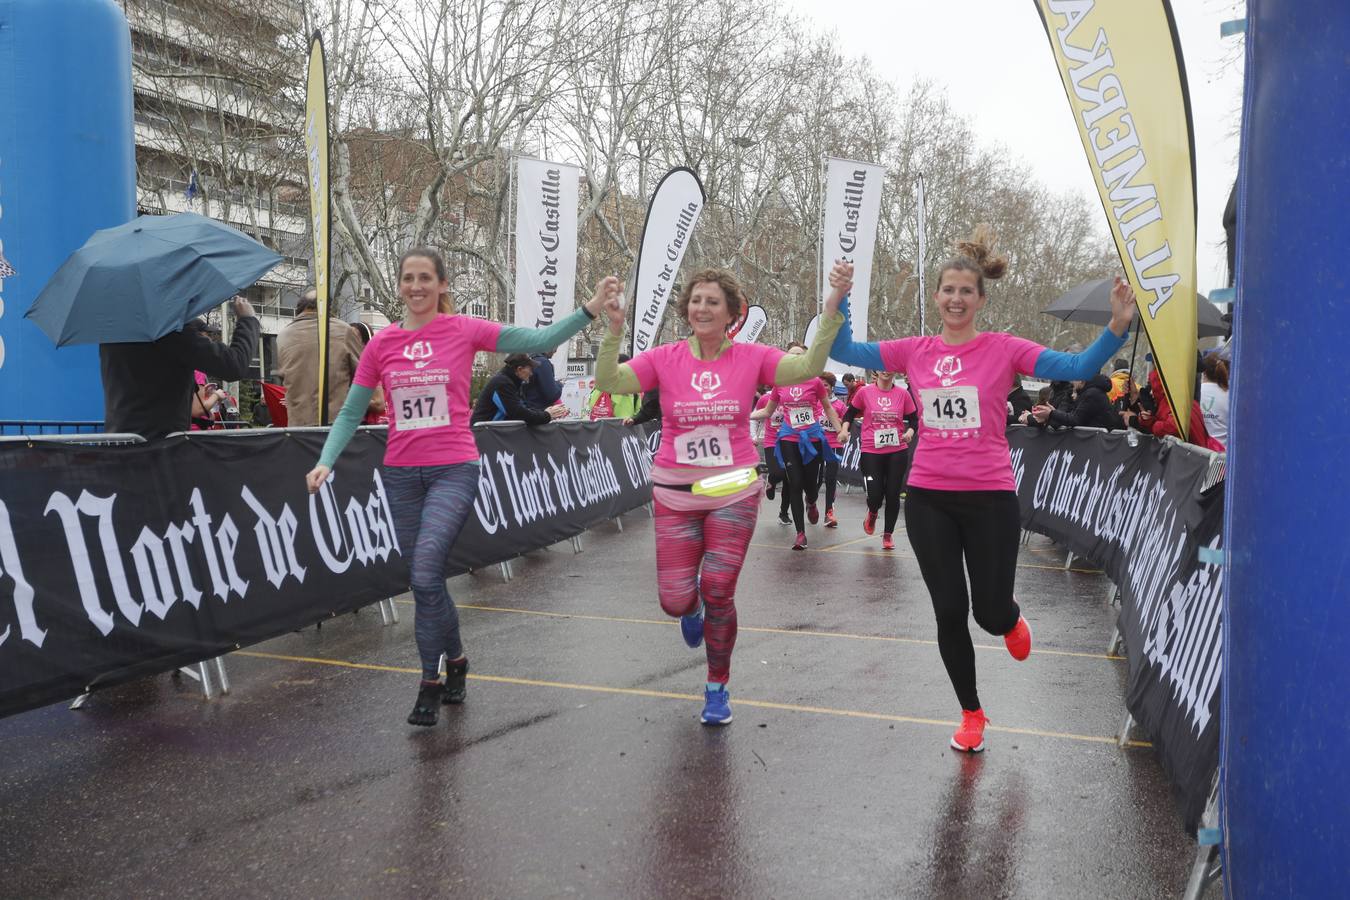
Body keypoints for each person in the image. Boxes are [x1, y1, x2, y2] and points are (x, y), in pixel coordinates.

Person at [830, 225, 1136, 753]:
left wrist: (1116, 326)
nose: (955, 299)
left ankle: (1010, 618)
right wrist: (838, 297)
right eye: (947, 290)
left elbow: (1077, 367)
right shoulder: (913, 351)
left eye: (965, 291)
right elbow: (847, 349)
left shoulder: (1003, 349)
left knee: (987, 614)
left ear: (980, 299)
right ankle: (971, 712)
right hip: (928, 496)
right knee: (949, 609)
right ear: (937, 296)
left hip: (990, 496)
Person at [306, 247, 618, 727]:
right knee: (424, 580)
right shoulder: (381, 344)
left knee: (428, 570)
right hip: (401, 474)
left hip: (454, 468)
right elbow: (352, 410)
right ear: (400, 285)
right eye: (408, 278)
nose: (416, 286)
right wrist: (327, 460)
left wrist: (591, 307)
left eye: (425, 277)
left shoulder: (463, 330)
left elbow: (539, 337)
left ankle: (428, 682)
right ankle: (456, 660)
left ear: (442, 284)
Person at [594, 262, 851, 725]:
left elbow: (809, 367)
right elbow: (609, 383)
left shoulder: (753, 357)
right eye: (696, 300)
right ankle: (688, 607)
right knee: (675, 599)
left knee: (718, 585)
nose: (702, 308)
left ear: (732, 311)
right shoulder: (664, 358)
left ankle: (717, 686)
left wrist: (833, 306)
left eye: (713, 301)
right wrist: (614, 329)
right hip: (675, 492)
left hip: (732, 489)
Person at [100, 297, 260, 440]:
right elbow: (233, 365)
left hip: (121, 442)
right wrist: (247, 320)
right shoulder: (169, 329)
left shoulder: (114, 333)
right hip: (161, 449)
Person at [753, 343, 846, 550]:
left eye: (799, 356)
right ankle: (800, 534)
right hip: (788, 438)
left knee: (810, 486)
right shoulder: (780, 384)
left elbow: (829, 408)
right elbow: (767, 412)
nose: (794, 359)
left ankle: (811, 502)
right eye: (791, 356)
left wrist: (840, 430)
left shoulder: (814, 383)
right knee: (794, 483)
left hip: (812, 438)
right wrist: (744, 415)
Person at [843, 370, 918, 549]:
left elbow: (914, 420)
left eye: (889, 367)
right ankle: (873, 511)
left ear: (894, 371)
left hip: (897, 450)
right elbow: (849, 414)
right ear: (876, 371)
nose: (885, 371)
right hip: (871, 450)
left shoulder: (903, 394)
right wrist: (845, 430)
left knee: (893, 494)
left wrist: (909, 432)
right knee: (875, 494)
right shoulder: (865, 392)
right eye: (881, 367)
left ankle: (888, 535)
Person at [275, 288, 365, 426]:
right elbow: (365, 376)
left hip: (299, 427)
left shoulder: (283, 336)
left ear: (299, 308)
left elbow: (284, 378)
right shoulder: (344, 330)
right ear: (327, 307)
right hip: (337, 425)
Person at [470, 354, 568, 425]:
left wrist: (545, 412)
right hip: (482, 436)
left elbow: (523, 408)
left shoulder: (512, 382)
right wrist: (546, 415)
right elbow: (517, 413)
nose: (531, 373)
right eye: (530, 369)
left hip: (489, 435)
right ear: (519, 369)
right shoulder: (502, 383)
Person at [1031, 374, 1123, 430]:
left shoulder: (1092, 394)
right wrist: (1052, 413)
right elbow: (1070, 416)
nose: (1072, 382)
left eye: (1074, 378)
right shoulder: (1086, 393)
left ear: (1081, 380)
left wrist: (1051, 413)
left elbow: (1075, 419)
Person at [818, 373, 850, 527]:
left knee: (831, 477)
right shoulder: (814, 403)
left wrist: (840, 423)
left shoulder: (840, 406)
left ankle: (828, 513)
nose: (823, 388)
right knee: (816, 479)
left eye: (826, 385)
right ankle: (810, 499)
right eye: (820, 385)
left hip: (834, 444)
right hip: (816, 442)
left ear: (831, 387)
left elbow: (846, 423)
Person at [349, 322, 388, 424]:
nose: (350, 343)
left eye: (355, 339)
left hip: (373, 427)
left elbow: (378, 404)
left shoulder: (372, 364)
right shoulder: (347, 364)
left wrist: (346, 399)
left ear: (366, 342)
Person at [587, 354, 640, 420]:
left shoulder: (599, 386)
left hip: (601, 428)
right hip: (624, 428)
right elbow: (638, 412)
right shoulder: (632, 389)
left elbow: (591, 406)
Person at [1199, 354, 1229, 446]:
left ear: (1204, 373)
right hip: (1224, 454)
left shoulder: (1196, 392)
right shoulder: (1230, 394)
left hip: (1199, 453)